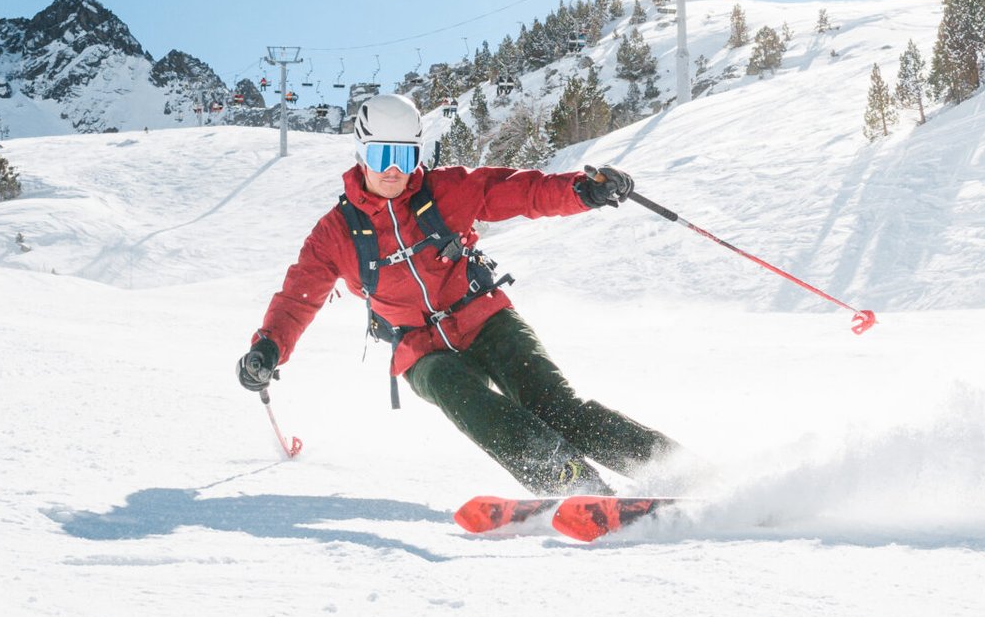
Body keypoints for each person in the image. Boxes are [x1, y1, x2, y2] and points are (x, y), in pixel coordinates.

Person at [236, 92, 677, 494]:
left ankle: (677, 470)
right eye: (382, 155)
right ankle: (572, 485)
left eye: (405, 157)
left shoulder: (446, 190)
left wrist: (580, 191)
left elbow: (520, 191)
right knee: (466, 398)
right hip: (419, 349)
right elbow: (298, 297)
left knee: (557, 406)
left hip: (485, 319)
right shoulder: (335, 234)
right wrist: (269, 348)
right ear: (360, 153)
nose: (394, 170)